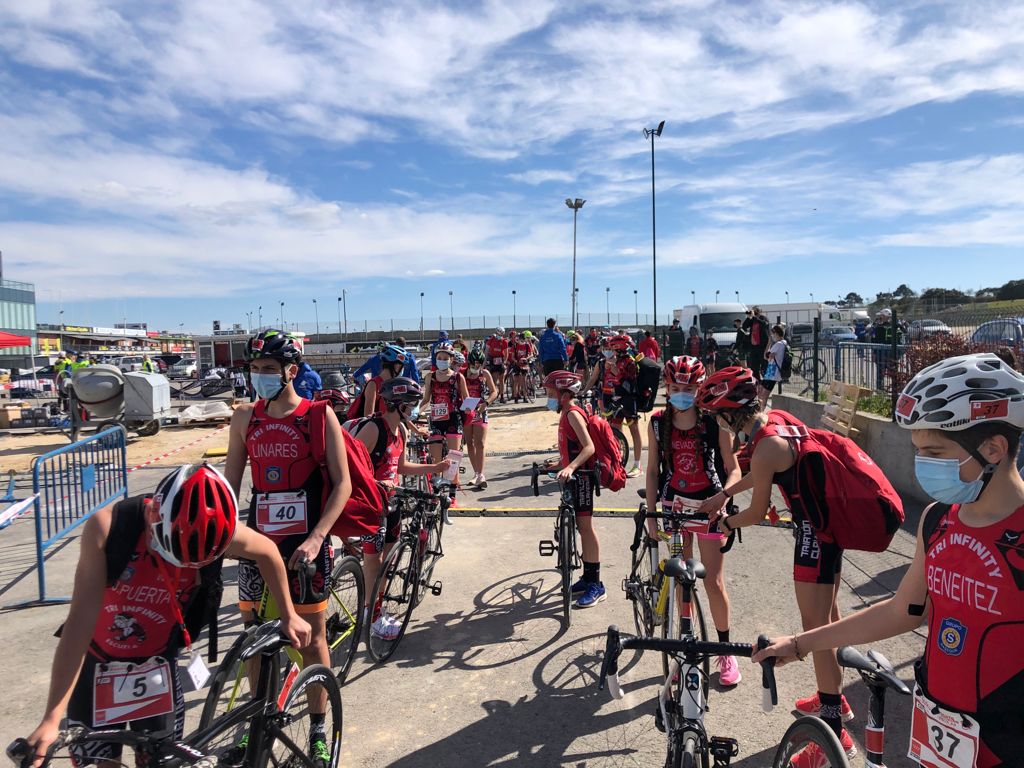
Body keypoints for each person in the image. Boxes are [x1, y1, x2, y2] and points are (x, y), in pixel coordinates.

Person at [754, 353, 1024, 768]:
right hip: (939, 723)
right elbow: (903, 610)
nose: (922, 464)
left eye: (934, 451)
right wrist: (800, 643)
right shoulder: (937, 520)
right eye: (918, 450)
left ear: (993, 448)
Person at [23, 463, 313, 767]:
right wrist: (51, 719)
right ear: (153, 517)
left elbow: (267, 551)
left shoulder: (220, 532)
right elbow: (80, 623)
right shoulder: (108, 527)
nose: (180, 569)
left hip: (158, 662)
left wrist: (289, 614)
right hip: (99, 662)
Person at [694, 366, 859, 756]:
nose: (717, 423)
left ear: (730, 414)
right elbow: (762, 472)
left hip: (814, 534)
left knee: (817, 630)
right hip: (828, 527)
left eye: (717, 416)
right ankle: (834, 699)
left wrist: (725, 522)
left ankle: (833, 733)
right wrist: (725, 494)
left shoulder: (765, 445)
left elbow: (756, 512)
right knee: (828, 621)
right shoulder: (778, 421)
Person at [224, 330, 368, 739]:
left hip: (305, 544)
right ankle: (257, 723)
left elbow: (342, 484)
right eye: (254, 368)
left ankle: (319, 727)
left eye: (268, 369)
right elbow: (230, 485)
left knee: (311, 638)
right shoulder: (244, 417)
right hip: (259, 545)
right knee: (254, 637)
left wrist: (318, 537)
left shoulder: (319, 415)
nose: (259, 376)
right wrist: (223, 532)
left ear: (291, 371)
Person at [646, 357, 742, 685]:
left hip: (710, 505)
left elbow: (733, 468)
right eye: (675, 388)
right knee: (681, 579)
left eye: (689, 388)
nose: (682, 394)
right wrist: (651, 515)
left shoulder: (715, 421)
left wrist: (724, 497)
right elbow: (652, 471)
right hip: (674, 505)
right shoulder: (658, 422)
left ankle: (725, 652)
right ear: (667, 387)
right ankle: (684, 648)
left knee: (713, 582)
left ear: (700, 388)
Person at [346, 378, 448, 640]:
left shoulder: (400, 430)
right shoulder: (373, 429)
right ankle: (371, 617)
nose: (414, 410)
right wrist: (377, 483)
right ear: (400, 405)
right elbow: (349, 468)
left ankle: (376, 608)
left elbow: (399, 467)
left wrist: (434, 468)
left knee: (387, 562)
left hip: (391, 503)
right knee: (374, 562)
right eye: (412, 405)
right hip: (370, 505)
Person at [544, 369, 605, 608]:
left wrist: (570, 467)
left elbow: (589, 447)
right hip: (572, 477)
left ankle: (596, 585)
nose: (548, 398)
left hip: (582, 478)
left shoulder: (572, 414)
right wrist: (559, 464)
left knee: (586, 528)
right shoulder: (565, 413)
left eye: (551, 394)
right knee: (580, 527)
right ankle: (587, 578)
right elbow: (572, 447)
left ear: (564, 394)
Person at [584, 333, 644, 478]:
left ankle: (637, 465)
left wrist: (616, 372)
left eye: (613, 349)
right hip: (614, 400)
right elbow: (595, 378)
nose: (611, 351)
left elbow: (631, 384)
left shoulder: (630, 361)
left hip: (628, 400)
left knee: (634, 430)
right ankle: (618, 461)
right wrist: (584, 390)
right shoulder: (606, 362)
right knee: (615, 431)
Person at [419, 342, 469, 505]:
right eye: (439, 357)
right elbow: (426, 399)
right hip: (436, 420)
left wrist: (471, 408)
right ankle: (436, 493)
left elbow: (466, 398)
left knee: (454, 457)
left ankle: (452, 494)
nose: (442, 360)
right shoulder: (430, 377)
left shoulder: (458, 377)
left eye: (445, 358)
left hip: (453, 419)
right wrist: (417, 412)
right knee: (436, 459)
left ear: (451, 359)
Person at [460, 349, 497, 489]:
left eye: (479, 365)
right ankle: (476, 473)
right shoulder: (462, 374)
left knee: (480, 443)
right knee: (469, 442)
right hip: (466, 411)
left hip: (480, 411)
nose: (476, 367)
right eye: (473, 365)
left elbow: (494, 391)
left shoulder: (484, 373)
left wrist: (486, 403)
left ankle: (481, 474)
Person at [354, 344, 408, 418]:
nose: (402, 370)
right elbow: (368, 417)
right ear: (396, 365)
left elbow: (399, 415)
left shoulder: (394, 385)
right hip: (375, 424)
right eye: (402, 366)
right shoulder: (373, 385)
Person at [758, 324, 787, 406]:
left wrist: (769, 343)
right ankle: (761, 409)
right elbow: (769, 356)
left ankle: (761, 411)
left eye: (773, 334)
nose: (772, 336)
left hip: (773, 372)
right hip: (771, 372)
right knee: (761, 391)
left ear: (776, 333)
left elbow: (766, 356)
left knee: (764, 394)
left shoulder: (778, 344)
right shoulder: (784, 342)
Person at [742, 307, 769, 379]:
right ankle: (757, 381)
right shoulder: (752, 320)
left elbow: (764, 324)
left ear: (760, 311)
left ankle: (766, 382)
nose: (754, 311)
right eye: (753, 310)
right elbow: (744, 326)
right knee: (754, 367)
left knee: (764, 366)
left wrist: (754, 317)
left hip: (762, 347)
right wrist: (748, 317)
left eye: (756, 310)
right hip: (754, 347)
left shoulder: (763, 318)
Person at [485, 327, 509, 404]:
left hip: (500, 360)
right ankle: (494, 396)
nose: (500, 335)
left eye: (502, 334)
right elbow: (487, 351)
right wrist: (485, 361)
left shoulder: (504, 341)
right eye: (499, 333)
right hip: (493, 359)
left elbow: (506, 353)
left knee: (501, 380)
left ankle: (502, 396)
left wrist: (504, 362)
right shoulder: (491, 340)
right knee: (494, 379)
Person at [509, 330, 533, 402]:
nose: (521, 341)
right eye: (520, 339)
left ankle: (525, 397)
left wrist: (526, 358)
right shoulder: (515, 346)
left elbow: (531, 354)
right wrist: (516, 361)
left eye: (523, 339)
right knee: (516, 381)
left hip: (524, 364)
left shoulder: (527, 345)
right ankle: (516, 397)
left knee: (524, 381)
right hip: (517, 364)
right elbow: (512, 357)